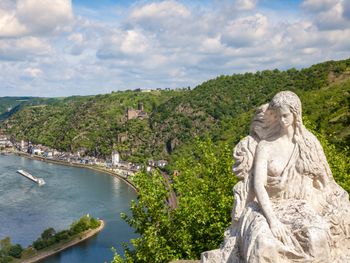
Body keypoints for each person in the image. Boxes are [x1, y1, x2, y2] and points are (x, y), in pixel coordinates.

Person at [203, 91, 350, 263]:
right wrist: (273, 221)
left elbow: (326, 181)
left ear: (296, 114)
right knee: (264, 244)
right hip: (266, 208)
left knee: (316, 238)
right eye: (278, 116)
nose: (282, 120)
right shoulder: (266, 146)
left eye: (286, 115)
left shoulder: (309, 144)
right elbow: (258, 186)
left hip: (298, 208)